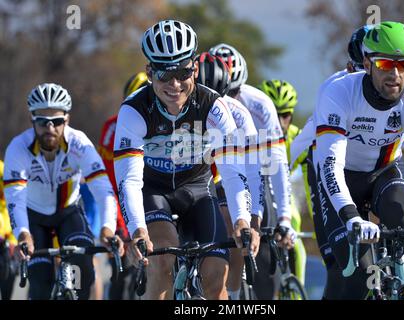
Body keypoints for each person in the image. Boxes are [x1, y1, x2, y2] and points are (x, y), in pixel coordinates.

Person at [113, 19, 260, 300]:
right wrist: (137, 230)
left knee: (217, 276)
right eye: (164, 75)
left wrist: (242, 220)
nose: (175, 84)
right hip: (154, 192)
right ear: (149, 72)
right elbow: (129, 180)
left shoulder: (213, 107)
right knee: (162, 263)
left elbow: (232, 172)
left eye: (182, 72)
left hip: (198, 189)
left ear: (194, 67)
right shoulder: (134, 110)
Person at [313, 21, 404, 299]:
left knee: (403, 222)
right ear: (367, 63)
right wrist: (351, 216)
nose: (396, 74)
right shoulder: (338, 92)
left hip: (386, 171)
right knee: (359, 277)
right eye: (386, 64)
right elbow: (330, 164)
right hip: (341, 178)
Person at [3, 83, 123, 300]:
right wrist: (22, 233)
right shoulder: (18, 148)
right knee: (40, 282)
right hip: (34, 219)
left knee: (83, 269)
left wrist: (107, 229)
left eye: (57, 121)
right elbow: (15, 198)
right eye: (42, 121)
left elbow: (103, 189)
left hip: (69, 213)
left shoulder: (80, 144)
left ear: (67, 119)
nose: (50, 127)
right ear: (32, 120)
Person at [209, 43, 294, 299]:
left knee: (262, 228)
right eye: (220, 91)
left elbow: (274, 163)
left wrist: (285, 218)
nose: (228, 98)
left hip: (253, 169)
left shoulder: (258, 104)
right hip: (215, 173)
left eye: (233, 91)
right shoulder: (200, 101)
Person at [195, 51, 262, 300]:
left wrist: (250, 220)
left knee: (232, 226)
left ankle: (232, 296)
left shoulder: (237, 114)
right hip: (189, 180)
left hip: (221, 178)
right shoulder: (176, 104)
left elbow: (251, 173)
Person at [98, 72, 148, 300]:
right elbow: (112, 185)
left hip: (153, 200)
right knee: (124, 272)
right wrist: (120, 226)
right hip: (120, 202)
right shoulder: (113, 127)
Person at [258, 79, 310, 287]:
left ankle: (297, 291)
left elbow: (311, 182)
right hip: (255, 194)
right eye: (272, 113)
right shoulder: (249, 135)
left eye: (285, 115)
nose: (279, 122)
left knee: (295, 239)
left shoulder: (298, 138)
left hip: (282, 196)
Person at [0, 159, 17, 300]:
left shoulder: (2, 170)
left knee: (7, 278)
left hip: (5, 236)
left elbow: (13, 205)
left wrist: (12, 238)